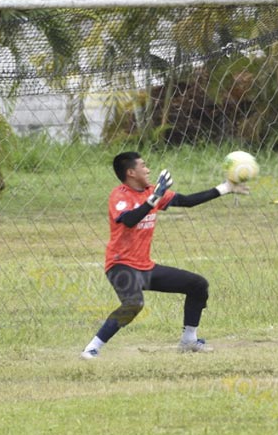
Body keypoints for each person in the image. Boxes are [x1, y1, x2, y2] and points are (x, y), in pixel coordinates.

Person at [80, 151, 248, 359]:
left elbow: (186, 201)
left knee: (197, 285)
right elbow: (130, 220)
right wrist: (154, 198)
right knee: (133, 303)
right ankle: (91, 348)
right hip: (120, 265)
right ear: (131, 172)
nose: (148, 169)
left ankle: (189, 340)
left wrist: (225, 188)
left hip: (145, 267)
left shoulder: (152, 192)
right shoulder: (119, 195)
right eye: (143, 166)